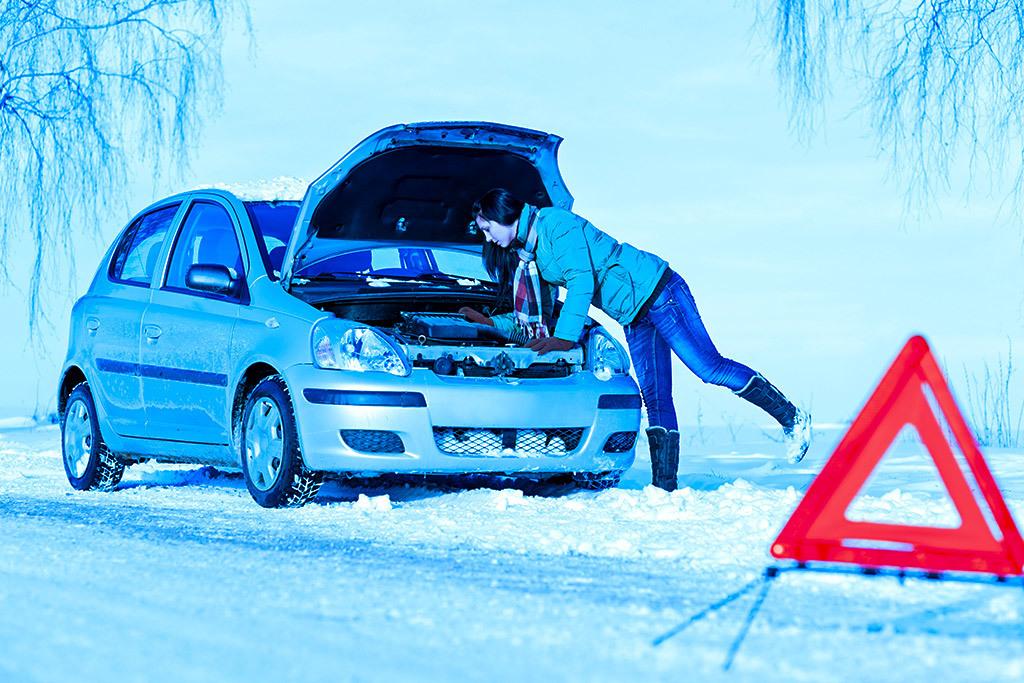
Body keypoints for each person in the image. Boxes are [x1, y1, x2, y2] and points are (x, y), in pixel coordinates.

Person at [459, 188, 811, 491]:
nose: (488, 238)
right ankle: (665, 488)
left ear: (501, 216)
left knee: (709, 367)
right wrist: (490, 322)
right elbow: (542, 314)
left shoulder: (555, 225)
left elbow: (581, 281)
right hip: (634, 314)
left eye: (487, 229)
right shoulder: (533, 255)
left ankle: (792, 418)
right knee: (655, 396)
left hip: (659, 291)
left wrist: (565, 339)